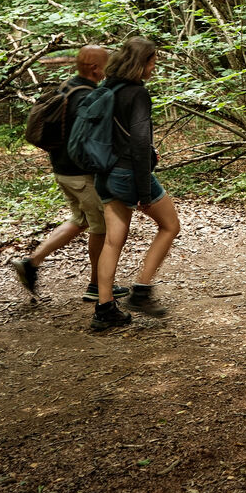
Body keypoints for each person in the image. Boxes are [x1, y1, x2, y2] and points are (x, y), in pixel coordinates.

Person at [11, 45, 131, 303]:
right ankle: (97, 285)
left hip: (63, 172)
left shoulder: (67, 87)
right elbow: (92, 142)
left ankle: (31, 263)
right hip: (81, 175)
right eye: (106, 65)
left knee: (80, 220)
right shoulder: (86, 97)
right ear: (95, 68)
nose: (109, 69)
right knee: (102, 228)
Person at [91, 36, 181, 331]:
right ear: (141, 63)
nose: (154, 68)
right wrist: (143, 191)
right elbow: (140, 143)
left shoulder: (107, 88)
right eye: (152, 62)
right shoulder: (137, 93)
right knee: (170, 226)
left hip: (105, 174)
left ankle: (104, 309)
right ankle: (141, 291)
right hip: (128, 173)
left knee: (113, 241)